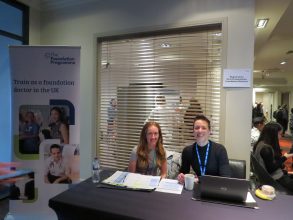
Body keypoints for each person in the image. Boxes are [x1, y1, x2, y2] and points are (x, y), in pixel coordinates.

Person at [178, 115, 231, 184]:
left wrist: (199, 180)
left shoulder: (220, 150)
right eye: (197, 128)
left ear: (209, 131)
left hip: (216, 189)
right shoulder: (187, 151)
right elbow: (184, 173)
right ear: (193, 131)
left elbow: (226, 178)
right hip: (198, 189)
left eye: (203, 128)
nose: (200, 130)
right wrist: (181, 177)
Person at [253, 122, 293, 192]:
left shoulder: (260, 143)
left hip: (271, 177)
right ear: (273, 134)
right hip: (274, 179)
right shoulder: (266, 149)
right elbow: (271, 169)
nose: (281, 136)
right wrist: (285, 157)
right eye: (279, 134)